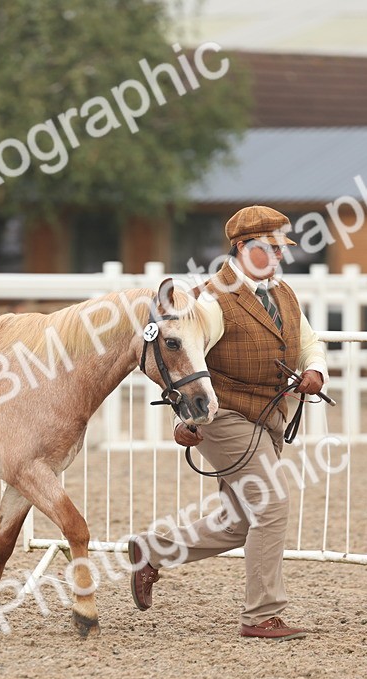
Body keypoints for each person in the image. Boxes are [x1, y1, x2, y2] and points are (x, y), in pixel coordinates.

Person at [128, 205, 327, 642]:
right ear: (241, 248)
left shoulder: (283, 294)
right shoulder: (212, 300)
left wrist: (314, 369)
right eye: (268, 248)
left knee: (240, 522)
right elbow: (185, 360)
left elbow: (308, 340)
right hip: (225, 416)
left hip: (270, 416)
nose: (277, 256)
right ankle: (262, 615)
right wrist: (188, 419)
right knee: (272, 503)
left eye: (280, 249)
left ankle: (152, 551)